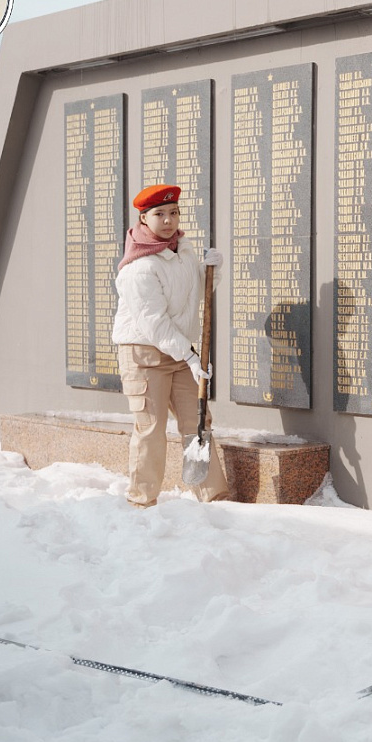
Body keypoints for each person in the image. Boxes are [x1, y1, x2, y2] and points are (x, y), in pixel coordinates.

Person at [112, 184, 230, 508]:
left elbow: (196, 293)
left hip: (179, 352)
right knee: (151, 428)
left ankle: (214, 497)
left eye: (173, 213)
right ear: (143, 218)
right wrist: (192, 357)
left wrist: (213, 270)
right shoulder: (139, 268)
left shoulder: (183, 249)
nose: (168, 220)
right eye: (159, 214)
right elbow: (154, 323)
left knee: (198, 421)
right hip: (144, 354)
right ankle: (142, 501)